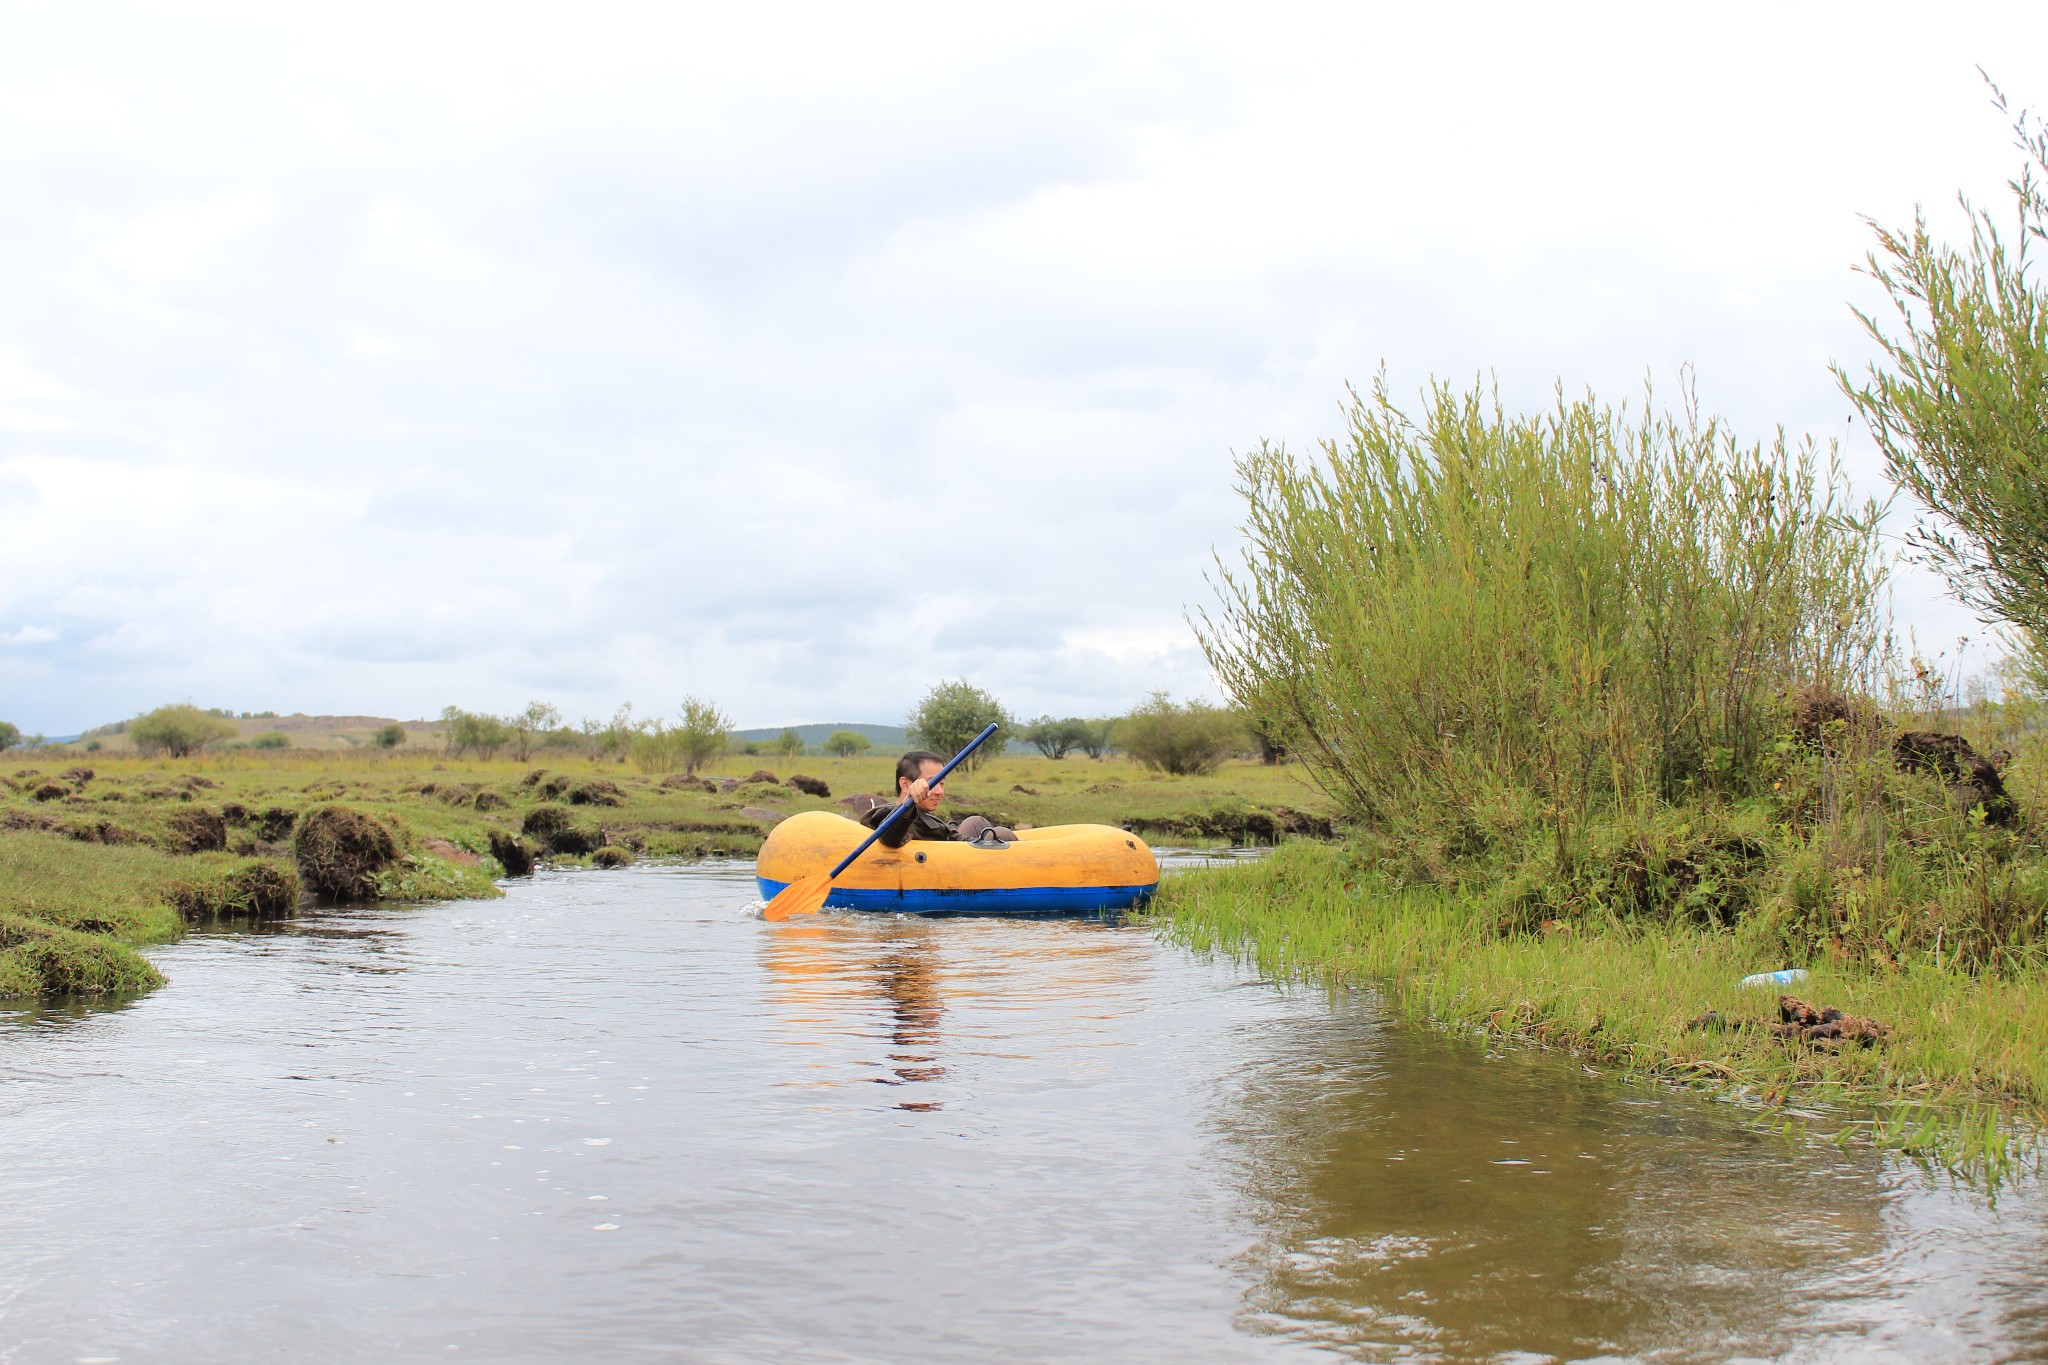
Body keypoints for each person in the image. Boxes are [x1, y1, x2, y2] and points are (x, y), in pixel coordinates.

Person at [861, 750, 1015, 847]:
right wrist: (908, 802)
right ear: (906, 784)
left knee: (976, 821)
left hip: (952, 849)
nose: (940, 791)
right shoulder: (895, 820)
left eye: (941, 784)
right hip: (947, 869)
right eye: (932, 783)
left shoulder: (926, 817)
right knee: (1001, 833)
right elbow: (890, 838)